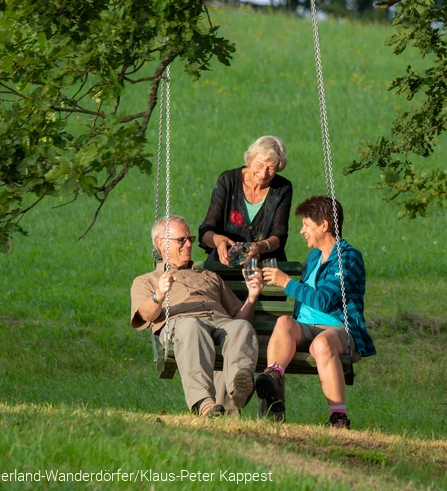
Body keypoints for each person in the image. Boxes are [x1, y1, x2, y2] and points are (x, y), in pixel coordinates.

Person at [258, 196, 376, 429]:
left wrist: (286, 283)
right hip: (306, 329)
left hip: (338, 329)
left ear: (324, 225)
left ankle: (338, 418)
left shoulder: (347, 258)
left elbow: (324, 300)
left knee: (322, 343)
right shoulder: (313, 257)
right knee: (284, 322)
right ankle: (273, 382)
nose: (302, 231)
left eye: (306, 225)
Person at [131, 215, 263, 417]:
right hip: (182, 324)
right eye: (181, 240)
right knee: (192, 326)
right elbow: (145, 315)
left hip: (219, 321)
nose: (188, 244)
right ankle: (204, 402)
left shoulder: (208, 276)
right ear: (161, 244)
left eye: (190, 239)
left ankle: (239, 387)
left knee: (241, 327)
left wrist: (252, 298)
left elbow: (239, 319)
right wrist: (158, 295)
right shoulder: (147, 280)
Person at [199, 135, 292, 265]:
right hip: (225, 265)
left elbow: (279, 234)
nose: (263, 174)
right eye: (259, 165)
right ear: (250, 159)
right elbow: (205, 230)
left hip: (263, 267)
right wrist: (219, 241)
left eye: (271, 168)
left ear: (278, 168)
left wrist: (260, 246)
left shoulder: (282, 188)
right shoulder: (228, 181)